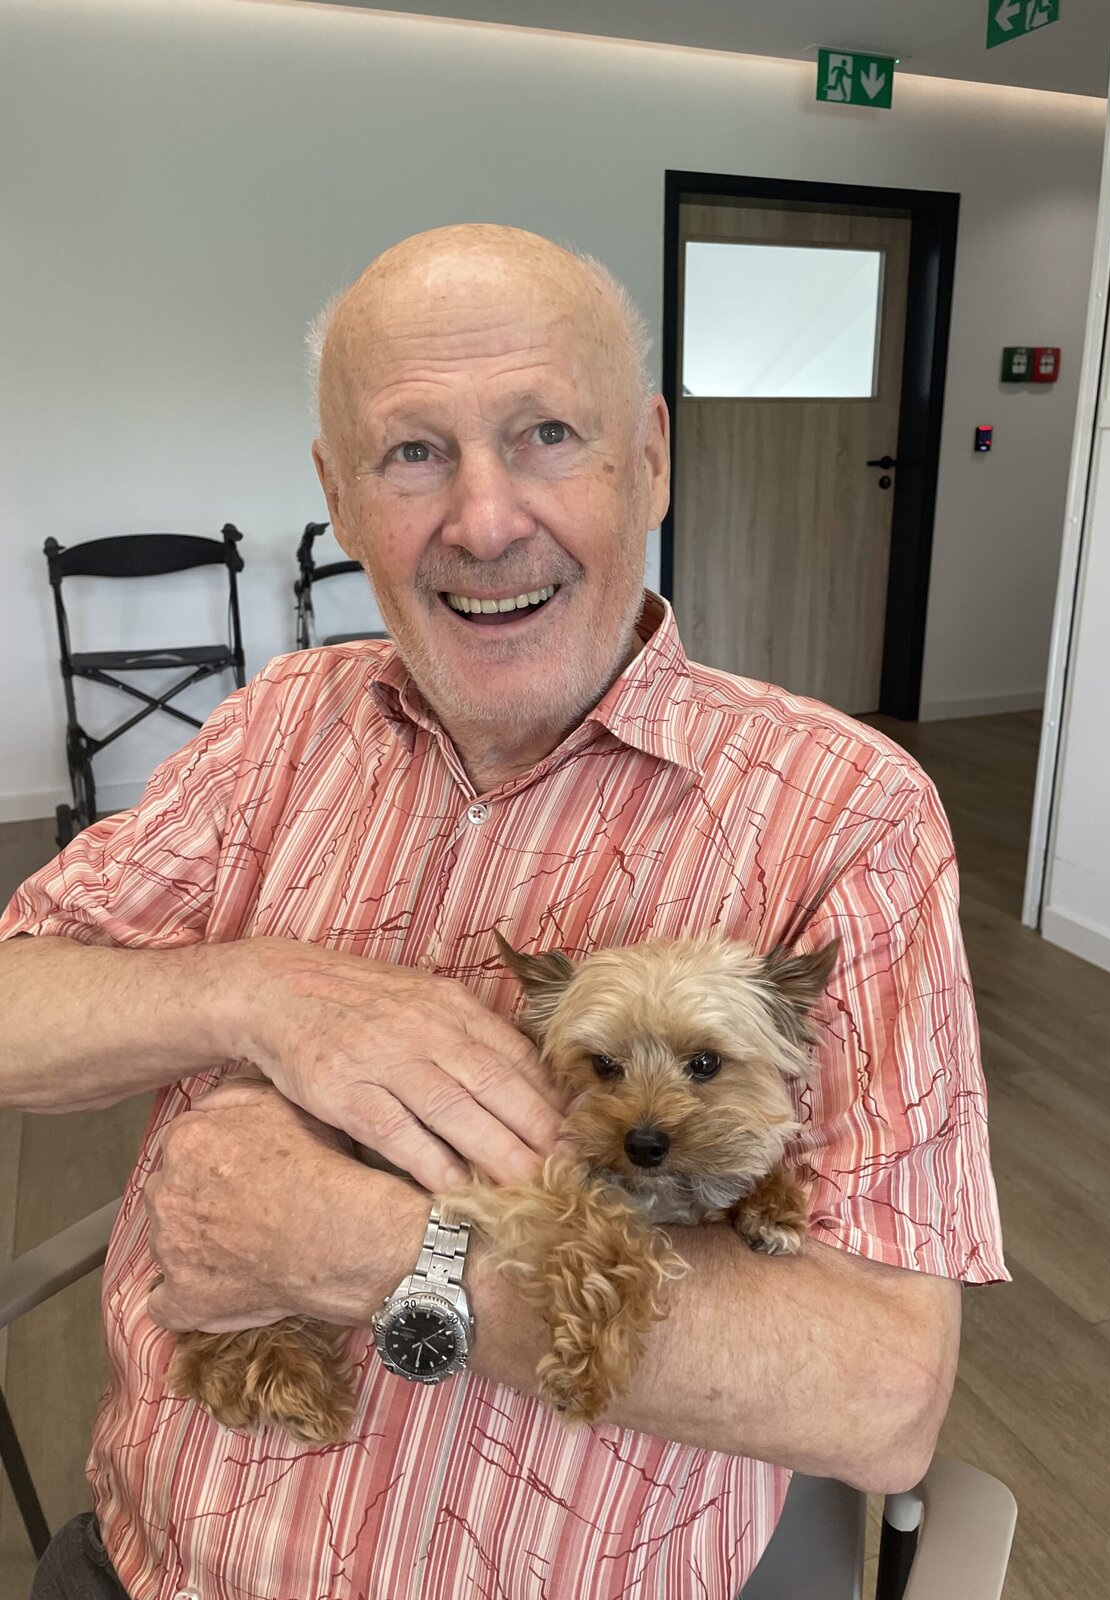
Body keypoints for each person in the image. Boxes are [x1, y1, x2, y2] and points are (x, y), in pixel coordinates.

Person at [1, 225, 1006, 1600]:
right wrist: (247, 991)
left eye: (545, 435)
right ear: (339, 495)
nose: (483, 523)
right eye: (414, 453)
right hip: (149, 1562)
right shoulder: (273, 733)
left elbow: (884, 1400)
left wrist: (367, 1248)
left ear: (649, 456)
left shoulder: (847, 815)